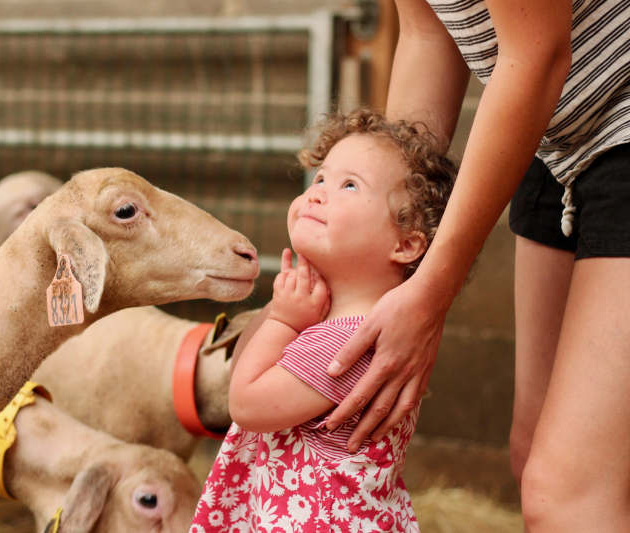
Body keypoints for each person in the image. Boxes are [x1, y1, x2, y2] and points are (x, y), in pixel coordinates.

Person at [322, 1, 630, 530]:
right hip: (554, 138)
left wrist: (430, 293)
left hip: (597, 105)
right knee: (532, 455)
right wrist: (386, 247)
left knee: (567, 493)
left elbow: (536, 55)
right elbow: (427, 35)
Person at [189, 108, 456, 532]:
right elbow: (246, 371)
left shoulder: (348, 342)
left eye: (349, 185)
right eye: (319, 179)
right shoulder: (342, 325)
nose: (316, 194)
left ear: (405, 244)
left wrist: (284, 321)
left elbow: (245, 403)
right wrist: (288, 314)